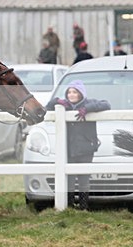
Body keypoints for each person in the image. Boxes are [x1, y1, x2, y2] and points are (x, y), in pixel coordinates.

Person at [45, 80, 111, 210]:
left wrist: (87, 109)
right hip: (69, 149)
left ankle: (83, 207)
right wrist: (57, 101)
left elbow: (106, 104)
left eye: (74, 92)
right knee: (69, 180)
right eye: (69, 92)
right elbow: (47, 107)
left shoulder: (89, 103)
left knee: (83, 180)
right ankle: (69, 206)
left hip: (86, 149)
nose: (71, 95)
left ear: (81, 93)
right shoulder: (64, 106)